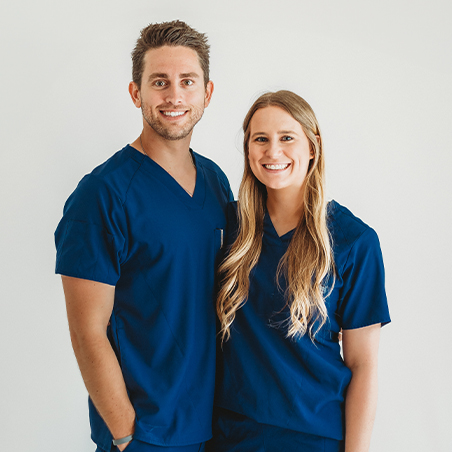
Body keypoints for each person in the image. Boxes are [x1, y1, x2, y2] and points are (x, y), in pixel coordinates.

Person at [55, 21, 233, 452]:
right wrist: (124, 433)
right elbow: (86, 330)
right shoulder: (103, 195)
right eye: (159, 82)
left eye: (187, 82)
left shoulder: (216, 182)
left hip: (220, 425)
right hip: (149, 435)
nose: (174, 96)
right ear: (136, 93)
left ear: (207, 93)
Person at [209, 90, 391, 452]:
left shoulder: (354, 241)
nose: (272, 151)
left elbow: (363, 365)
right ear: (247, 150)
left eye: (287, 138)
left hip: (314, 438)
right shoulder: (227, 228)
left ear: (313, 146)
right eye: (260, 139)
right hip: (231, 436)